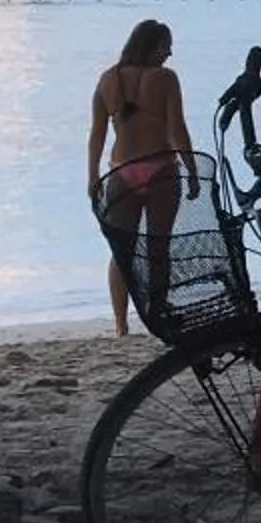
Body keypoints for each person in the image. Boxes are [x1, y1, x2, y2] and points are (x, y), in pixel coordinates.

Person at [88, 19, 196, 337]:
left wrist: (92, 175)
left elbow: (96, 134)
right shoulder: (165, 79)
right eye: (165, 46)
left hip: (121, 172)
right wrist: (190, 169)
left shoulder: (108, 79)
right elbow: (178, 127)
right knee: (157, 247)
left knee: (122, 250)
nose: (170, 53)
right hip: (161, 168)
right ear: (149, 46)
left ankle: (121, 325)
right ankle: (157, 312)